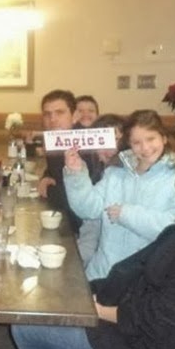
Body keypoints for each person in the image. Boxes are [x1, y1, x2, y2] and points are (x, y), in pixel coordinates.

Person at [12, 137, 175, 349]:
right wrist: (87, 292)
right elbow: (136, 275)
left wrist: (98, 310)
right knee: (52, 303)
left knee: (26, 326)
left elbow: (165, 319)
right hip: (144, 336)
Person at [63, 109, 175, 280]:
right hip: (102, 273)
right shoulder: (115, 173)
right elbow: (88, 209)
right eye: (137, 142)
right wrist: (76, 173)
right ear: (129, 145)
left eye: (151, 139)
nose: (145, 148)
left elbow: (173, 229)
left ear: (163, 138)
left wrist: (127, 214)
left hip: (141, 280)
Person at [36, 89, 95, 234]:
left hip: (85, 224)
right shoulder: (54, 139)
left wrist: (50, 190)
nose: (52, 119)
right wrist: (46, 177)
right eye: (47, 114)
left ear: (74, 116)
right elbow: (55, 172)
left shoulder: (86, 143)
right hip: (64, 215)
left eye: (59, 112)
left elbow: (71, 196)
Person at [76, 114, 126, 266]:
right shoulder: (99, 176)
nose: (110, 149)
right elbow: (90, 233)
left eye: (116, 140)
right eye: (102, 141)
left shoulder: (128, 180)